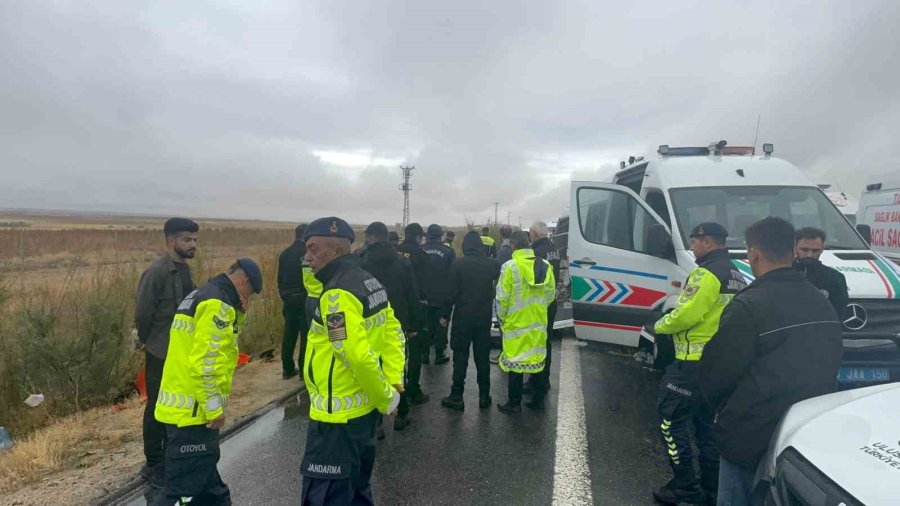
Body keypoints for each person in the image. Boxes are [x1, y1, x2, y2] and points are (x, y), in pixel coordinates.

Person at [700, 217, 843, 506]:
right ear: (792, 252)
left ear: (753, 253)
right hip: (801, 436)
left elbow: (715, 376)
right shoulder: (821, 300)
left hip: (749, 438)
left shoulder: (748, 305)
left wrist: (722, 416)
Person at [300, 217, 404, 505]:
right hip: (362, 414)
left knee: (326, 497)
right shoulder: (369, 282)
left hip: (336, 422)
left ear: (336, 251)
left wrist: (386, 398)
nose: (307, 257)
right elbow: (394, 331)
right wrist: (393, 381)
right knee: (357, 492)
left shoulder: (337, 293)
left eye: (312, 249)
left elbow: (353, 354)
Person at [648, 222, 747, 505]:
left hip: (691, 363)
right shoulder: (736, 273)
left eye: (694, 240)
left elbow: (687, 314)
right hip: (718, 363)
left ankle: (685, 487)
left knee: (670, 421)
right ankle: (712, 487)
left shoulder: (706, 273)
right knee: (706, 426)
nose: (692, 246)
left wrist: (659, 325)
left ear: (707, 241)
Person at [152, 258, 263, 506]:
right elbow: (208, 362)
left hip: (179, 407)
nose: (248, 297)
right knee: (182, 493)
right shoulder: (219, 304)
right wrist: (214, 408)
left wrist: (240, 315)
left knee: (211, 491)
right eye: (251, 293)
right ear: (244, 282)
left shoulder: (199, 295)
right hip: (195, 412)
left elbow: (221, 344)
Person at [133, 217, 199, 487]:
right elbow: (142, 313)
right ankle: (153, 464)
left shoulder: (184, 270)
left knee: (173, 405)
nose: (193, 244)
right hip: (160, 352)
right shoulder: (157, 272)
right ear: (171, 241)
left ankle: (170, 455)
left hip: (180, 352)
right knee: (156, 406)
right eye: (187, 239)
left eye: (195, 239)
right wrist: (150, 343)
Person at [359, 221, 423, 431]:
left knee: (372, 367)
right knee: (396, 368)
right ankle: (401, 413)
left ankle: (376, 422)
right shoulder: (402, 262)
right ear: (387, 237)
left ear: (370, 236)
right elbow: (412, 294)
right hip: (397, 322)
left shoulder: (361, 261)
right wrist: (414, 324)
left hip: (369, 322)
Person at [440, 231, 501, 411]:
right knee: (482, 357)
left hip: (462, 318)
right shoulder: (493, 265)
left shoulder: (458, 264)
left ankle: (457, 396)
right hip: (483, 318)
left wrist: (445, 315)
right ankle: (484, 396)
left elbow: (450, 292)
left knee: (460, 357)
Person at [495, 231, 555, 413]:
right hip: (538, 323)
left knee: (516, 362)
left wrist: (502, 318)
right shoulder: (545, 265)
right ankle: (538, 401)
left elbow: (502, 298)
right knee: (538, 359)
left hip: (516, 324)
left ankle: (514, 403)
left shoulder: (510, 267)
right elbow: (551, 295)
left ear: (513, 246)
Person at [525, 221, 560, 397]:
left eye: (531, 233)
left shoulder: (535, 252)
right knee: (546, 341)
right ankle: (543, 380)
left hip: (539, 303)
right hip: (551, 300)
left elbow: (534, 280)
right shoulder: (553, 248)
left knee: (537, 343)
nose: (530, 236)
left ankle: (537, 381)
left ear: (535, 234)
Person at [793, 227, 849, 320]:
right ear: (795, 248)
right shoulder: (782, 274)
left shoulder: (835, 278)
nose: (809, 255)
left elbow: (840, 314)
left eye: (815, 251)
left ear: (822, 249)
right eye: (804, 250)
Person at [421, 224, 456, 365]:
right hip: (442, 297)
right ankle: (439, 354)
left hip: (423, 297)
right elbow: (453, 275)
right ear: (441, 235)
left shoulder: (420, 250)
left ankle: (424, 354)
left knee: (425, 324)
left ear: (427, 235)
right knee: (442, 324)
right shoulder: (448, 252)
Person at [278, 224, 309, 380]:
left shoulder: (285, 253)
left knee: (289, 334)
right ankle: (304, 372)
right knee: (305, 335)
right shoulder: (308, 254)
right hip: (304, 299)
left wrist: (284, 295)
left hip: (288, 299)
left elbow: (280, 279)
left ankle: (287, 369)